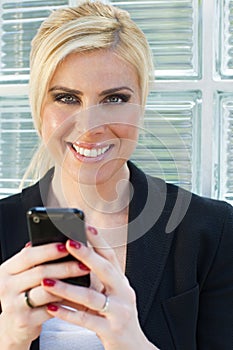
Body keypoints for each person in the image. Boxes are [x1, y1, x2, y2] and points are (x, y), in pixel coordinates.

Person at [0, 1, 232, 349]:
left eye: (114, 99)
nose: (90, 126)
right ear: (39, 106)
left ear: (142, 102)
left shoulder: (212, 230)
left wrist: (130, 339)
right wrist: (11, 340)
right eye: (66, 97)